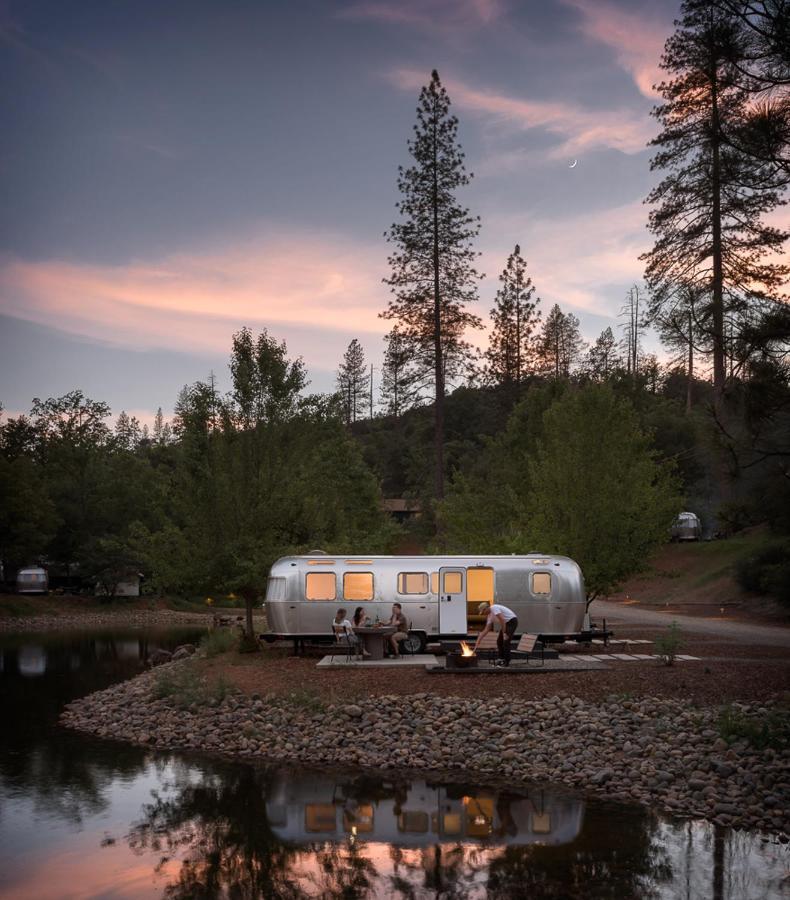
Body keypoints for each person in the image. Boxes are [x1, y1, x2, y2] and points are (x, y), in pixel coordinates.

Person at [473, 602, 518, 667]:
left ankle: (506, 662)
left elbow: (502, 619)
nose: (483, 613)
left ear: (486, 608)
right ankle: (501, 659)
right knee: (499, 641)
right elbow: (486, 630)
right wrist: (478, 641)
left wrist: (504, 633)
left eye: (483, 611)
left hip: (512, 621)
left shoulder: (494, 608)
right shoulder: (489, 616)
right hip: (506, 623)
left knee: (506, 641)